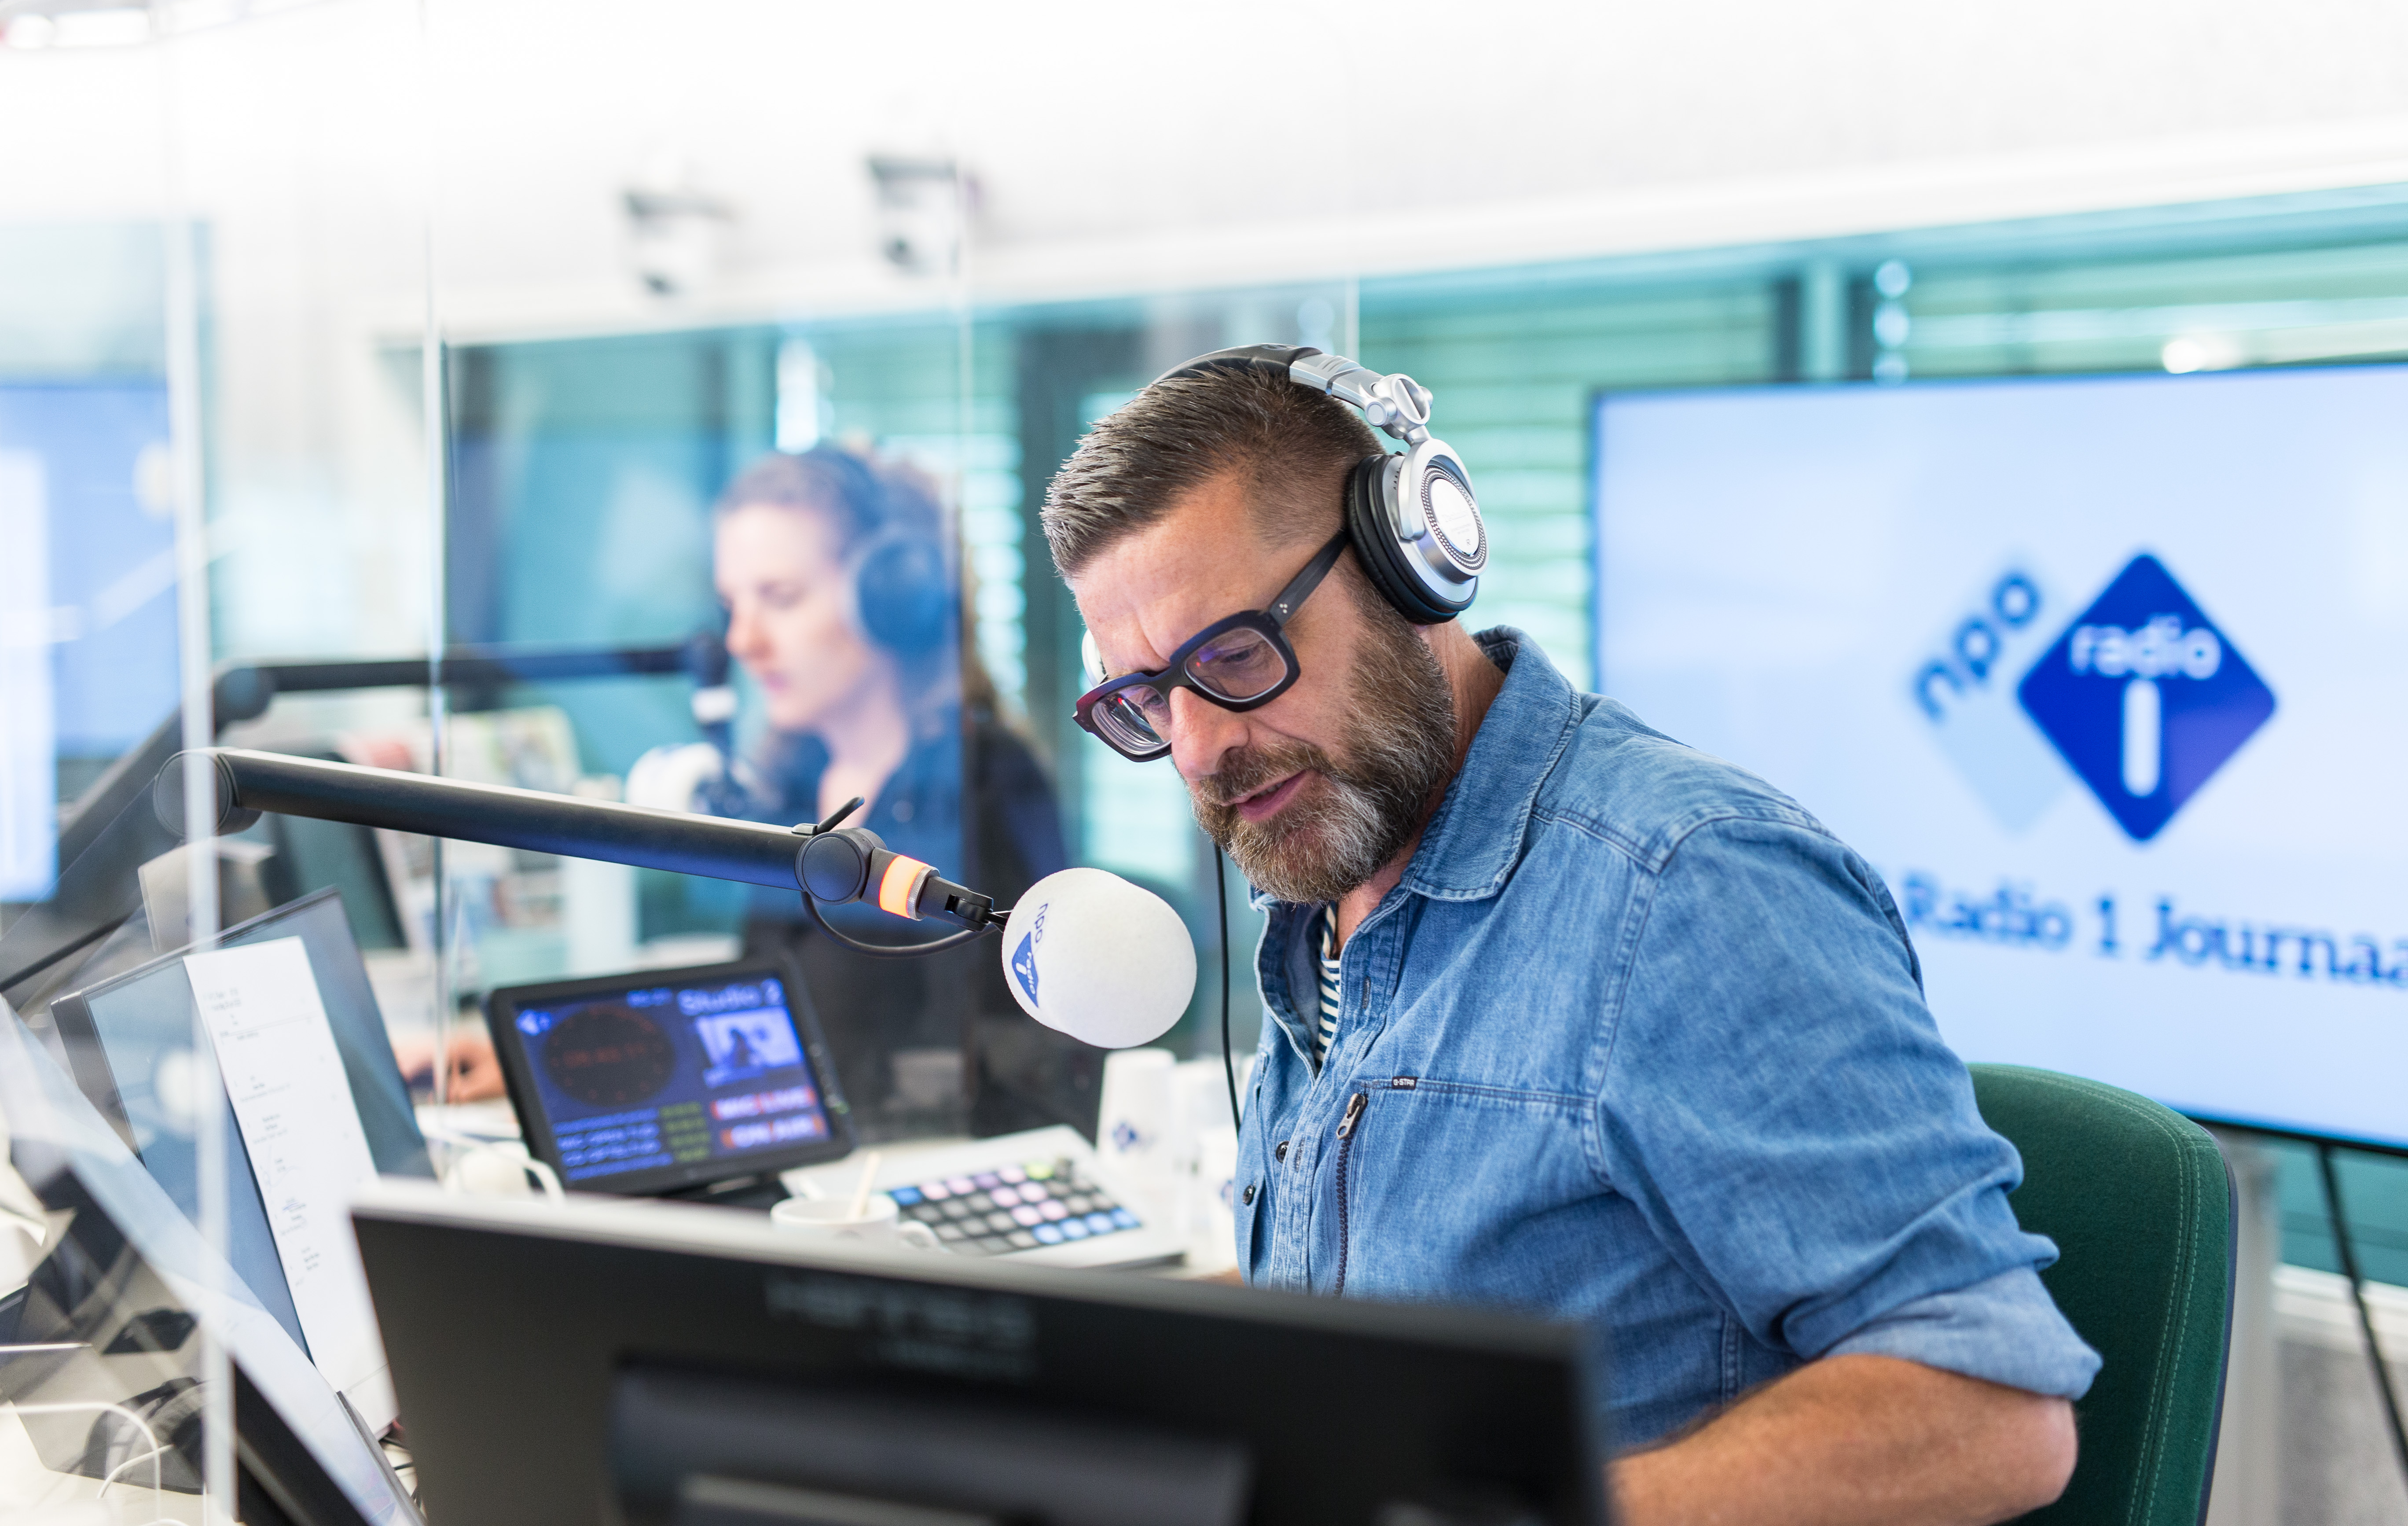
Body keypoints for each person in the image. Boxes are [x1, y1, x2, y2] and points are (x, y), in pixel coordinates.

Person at [1042, 352, 2097, 1526]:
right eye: (1146, 699)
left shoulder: (1688, 886)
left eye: (1235, 657)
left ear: (1409, 567)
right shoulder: (1325, 897)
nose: (1197, 750)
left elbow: (1994, 1411)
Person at [667, 445, 1094, 1141]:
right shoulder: (789, 783)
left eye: (780, 598)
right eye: (731, 605)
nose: (741, 640)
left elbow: (1024, 1058)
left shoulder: (982, 783)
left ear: (891, 601)